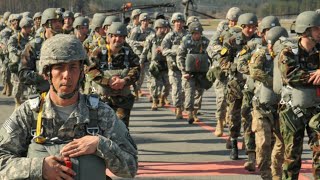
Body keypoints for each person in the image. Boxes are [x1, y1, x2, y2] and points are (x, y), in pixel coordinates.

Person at [0, 34, 138, 179]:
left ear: (81, 72)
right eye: (59, 67)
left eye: (73, 67)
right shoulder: (29, 113)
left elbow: (130, 168)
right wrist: (39, 167)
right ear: (47, 73)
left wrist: (100, 145)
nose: (67, 75)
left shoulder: (101, 113)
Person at [277, 11, 320, 179]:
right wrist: (314, 76)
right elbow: (291, 76)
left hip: (316, 108)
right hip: (292, 112)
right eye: (317, 29)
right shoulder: (288, 52)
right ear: (306, 31)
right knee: (292, 157)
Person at [249, 26, 288, 179]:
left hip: (281, 106)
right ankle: (265, 173)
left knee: (282, 142)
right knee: (264, 142)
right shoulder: (260, 54)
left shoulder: (287, 57)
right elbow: (254, 71)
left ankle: (276, 172)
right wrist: (274, 82)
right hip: (261, 106)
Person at [219, 12, 258, 160]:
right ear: (242, 26)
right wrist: (237, 67)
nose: (250, 30)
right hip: (235, 83)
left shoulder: (258, 42)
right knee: (234, 116)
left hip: (252, 85)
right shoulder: (232, 41)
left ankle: (250, 149)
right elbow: (223, 61)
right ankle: (234, 143)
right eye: (247, 27)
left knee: (249, 116)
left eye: (252, 27)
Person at [85, 22, 140, 128]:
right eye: (114, 36)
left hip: (122, 100)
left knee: (121, 128)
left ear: (124, 38)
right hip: (101, 99)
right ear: (109, 37)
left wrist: (124, 81)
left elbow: (136, 69)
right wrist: (107, 81)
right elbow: (90, 69)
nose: (117, 39)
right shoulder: (98, 52)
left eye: (120, 37)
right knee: (100, 128)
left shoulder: (129, 53)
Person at [206, 7, 241, 138]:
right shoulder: (222, 31)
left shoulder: (243, 33)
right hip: (222, 70)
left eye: (235, 21)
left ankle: (232, 129)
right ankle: (219, 122)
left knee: (235, 103)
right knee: (221, 100)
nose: (233, 23)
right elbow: (211, 47)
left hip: (236, 71)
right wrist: (224, 52)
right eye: (231, 21)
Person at [177, 21, 210, 124]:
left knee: (199, 93)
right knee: (189, 92)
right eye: (195, 33)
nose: (197, 35)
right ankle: (189, 112)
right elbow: (180, 56)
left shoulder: (206, 42)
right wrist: (183, 71)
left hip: (201, 72)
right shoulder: (186, 42)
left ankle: (195, 111)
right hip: (189, 72)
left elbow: (211, 55)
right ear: (191, 33)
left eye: (199, 33)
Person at [161, 12, 188, 120]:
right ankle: (178, 108)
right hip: (173, 66)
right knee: (176, 88)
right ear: (173, 23)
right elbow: (163, 50)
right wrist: (175, 51)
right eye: (176, 22)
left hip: (185, 67)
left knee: (185, 89)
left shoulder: (187, 35)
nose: (178, 24)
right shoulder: (169, 36)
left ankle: (183, 105)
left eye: (180, 22)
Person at [140, 19, 170, 110]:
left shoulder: (168, 38)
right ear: (157, 28)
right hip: (155, 64)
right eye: (162, 28)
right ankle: (154, 101)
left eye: (165, 27)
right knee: (155, 84)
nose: (164, 30)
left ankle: (163, 97)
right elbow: (145, 51)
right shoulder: (151, 38)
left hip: (166, 64)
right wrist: (141, 61)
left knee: (168, 85)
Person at [7, 17, 34, 108]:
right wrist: (22, 53)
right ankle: (17, 103)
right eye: (29, 27)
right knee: (18, 88)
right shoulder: (14, 38)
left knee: (30, 87)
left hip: (28, 66)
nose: (31, 28)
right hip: (17, 65)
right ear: (23, 27)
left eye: (31, 26)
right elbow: (11, 48)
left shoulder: (31, 38)